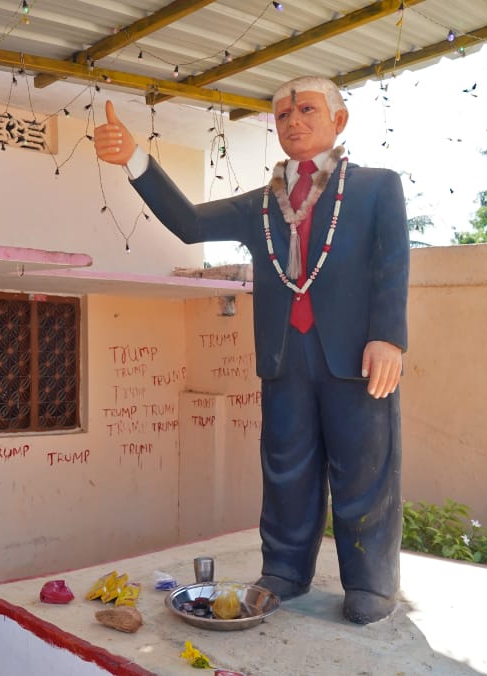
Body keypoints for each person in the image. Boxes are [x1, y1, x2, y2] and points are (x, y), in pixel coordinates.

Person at [93, 76, 408, 624]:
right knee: (286, 466)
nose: (294, 121)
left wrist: (389, 337)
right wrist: (135, 160)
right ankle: (284, 568)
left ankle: (371, 583)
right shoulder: (262, 204)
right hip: (285, 357)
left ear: (339, 120)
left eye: (307, 109)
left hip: (356, 358)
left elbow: (392, 263)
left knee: (364, 467)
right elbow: (190, 223)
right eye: (283, 115)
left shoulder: (376, 186)